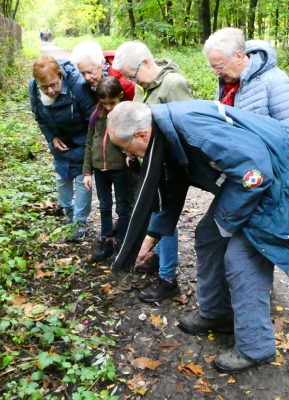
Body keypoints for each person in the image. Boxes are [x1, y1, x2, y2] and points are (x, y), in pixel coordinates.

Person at [107, 100, 289, 374]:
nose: (128, 156)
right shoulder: (164, 136)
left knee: (242, 256)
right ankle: (217, 313)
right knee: (208, 234)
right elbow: (172, 189)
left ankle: (256, 347)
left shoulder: (192, 128)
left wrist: (227, 223)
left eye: (126, 149)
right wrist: (150, 239)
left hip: (281, 176)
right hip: (248, 180)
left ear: (141, 135)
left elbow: (254, 172)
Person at [112, 40, 193, 303]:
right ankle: (158, 258)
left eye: (131, 75)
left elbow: (186, 130)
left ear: (147, 63)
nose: (130, 81)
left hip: (170, 171)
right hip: (153, 167)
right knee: (152, 216)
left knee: (164, 218)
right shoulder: (142, 87)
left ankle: (168, 278)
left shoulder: (174, 85)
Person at [29, 55, 96, 242]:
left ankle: (79, 221)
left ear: (60, 76)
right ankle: (68, 209)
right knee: (62, 177)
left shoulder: (77, 86)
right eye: (44, 87)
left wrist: (90, 146)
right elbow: (38, 116)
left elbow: (93, 119)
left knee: (83, 181)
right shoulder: (34, 88)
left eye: (54, 84)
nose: (50, 91)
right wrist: (52, 137)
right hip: (59, 140)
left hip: (82, 138)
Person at [203, 27, 289, 131]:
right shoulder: (227, 80)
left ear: (238, 56)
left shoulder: (276, 81)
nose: (215, 73)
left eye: (219, 67)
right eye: (212, 66)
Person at [83, 77, 131, 261]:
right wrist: (87, 172)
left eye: (112, 102)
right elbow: (89, 143)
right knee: (104, 206)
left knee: (122, 207)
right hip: (99, 170)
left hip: (120, 169)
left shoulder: (126, 115)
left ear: (120, 96)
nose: (109, 107)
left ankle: (122, 243)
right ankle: (107, 240)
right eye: (105, 103)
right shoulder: (96, 116)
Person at [71, 40, 135, 101]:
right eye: (82, 73)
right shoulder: (86, 83)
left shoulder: (123, 84)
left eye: (90, 72)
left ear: (101, 64)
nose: (87, 78)